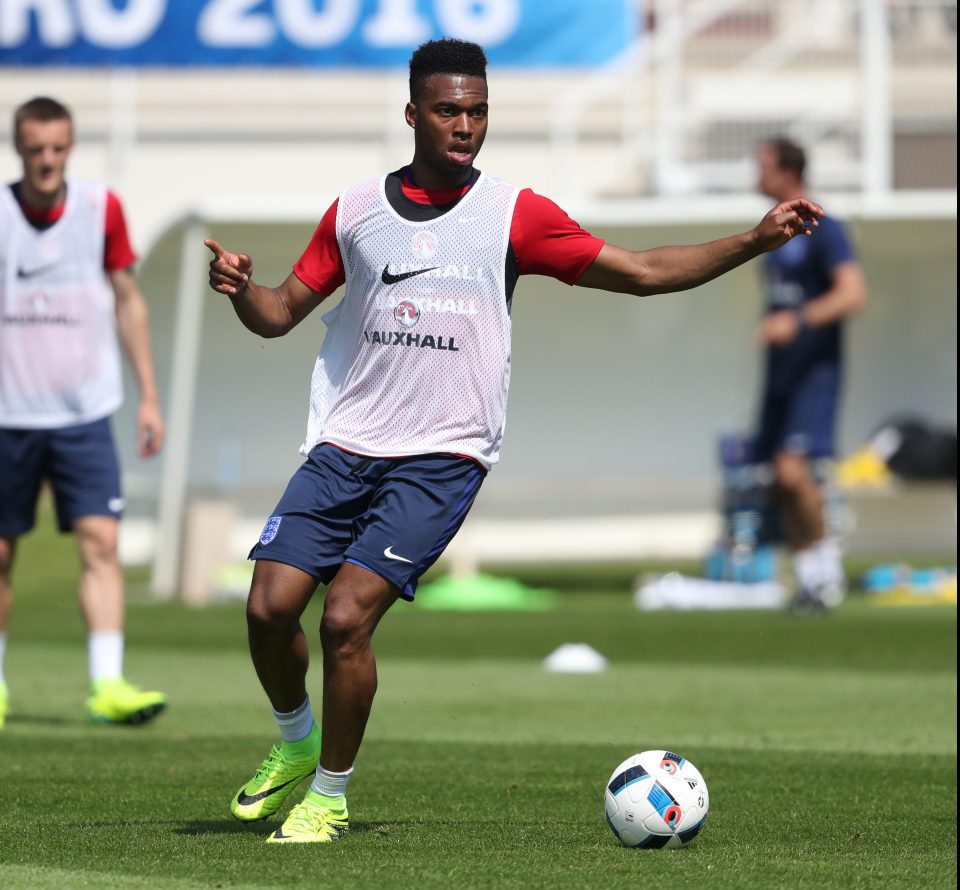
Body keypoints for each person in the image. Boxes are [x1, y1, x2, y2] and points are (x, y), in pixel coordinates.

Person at [205, 39, 824, 844]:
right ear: (413, 114)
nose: (465, 126)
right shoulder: (356, 210)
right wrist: (238, 290)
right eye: (448, 110)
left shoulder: (513, 214)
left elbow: (640, 270)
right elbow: (279, 312)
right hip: (346, 441)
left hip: (442, 454)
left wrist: (752, 240)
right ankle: (296, 744)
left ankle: (328, 795)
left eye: (478, 111)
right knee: (266, 608)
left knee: (345, 620)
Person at [0, 97, 167, 729]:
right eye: (35, 149)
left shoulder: (102, 209)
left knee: (102, 540)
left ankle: (107, 682)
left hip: (83, 413)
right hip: (7, 414)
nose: (47, 160)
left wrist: (148, 394)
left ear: (70, 147)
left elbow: (129, 302)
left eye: (58, 148)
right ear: (20, 149)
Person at [752, 138, 867, 610]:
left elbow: (852, 295)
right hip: (781, 375)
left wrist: (797, 321)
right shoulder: (776, 237)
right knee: (777, 479)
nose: (754, 176)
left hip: (814, 374)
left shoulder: (826, 228)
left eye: (761, 166)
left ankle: (826, 573)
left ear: (787, 173)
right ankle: (807, 580)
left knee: (794, 473)